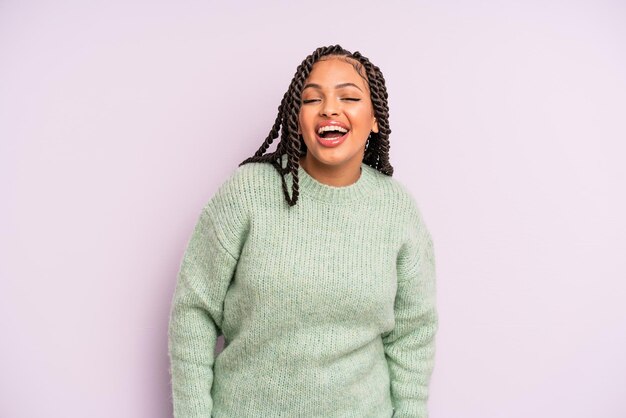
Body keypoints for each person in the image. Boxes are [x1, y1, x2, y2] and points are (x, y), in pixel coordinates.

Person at [167, 44, 438, 417]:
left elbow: (412, 335)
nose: (329, 108)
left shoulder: (397, 210)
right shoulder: (248, 193)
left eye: (349, 96)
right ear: (297, 117)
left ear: (375, 118)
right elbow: (194, 311)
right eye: (313, 99)